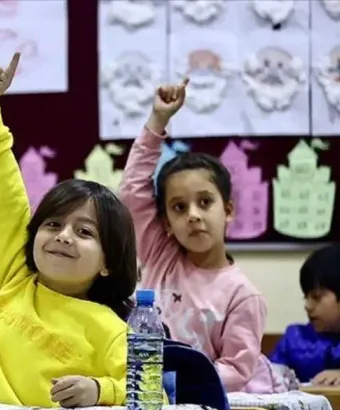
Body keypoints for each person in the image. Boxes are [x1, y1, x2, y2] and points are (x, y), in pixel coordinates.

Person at [0, 53, 138, 408]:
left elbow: (155, 395)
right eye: (54, 224)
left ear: (108, 262)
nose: (63, 236)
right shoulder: (18, 279)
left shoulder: (110, 329)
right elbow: (4, 190)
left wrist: (100, 390)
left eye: (85, 232)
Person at [118, 79, 275, 393]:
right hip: (146, 398)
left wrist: (174, 384)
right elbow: (132, 192)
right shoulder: (160, 255)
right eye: (178, 207)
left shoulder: (243, 296)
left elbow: (236, 369)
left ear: (228, 209)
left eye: (205, 202)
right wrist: (158, 121)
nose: (192, 215)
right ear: (165, 222)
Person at [271, 244, 340, 385]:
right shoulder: (294, 339)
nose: (307, 306)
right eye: (305, 297)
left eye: (316, 297)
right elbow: (269, 377)